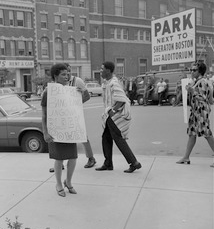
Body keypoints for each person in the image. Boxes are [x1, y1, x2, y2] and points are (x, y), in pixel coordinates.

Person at [41, 63, 85, 197]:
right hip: (55, 130)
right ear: (55, 76)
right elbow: (44, 114)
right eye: (63, 74)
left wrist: (80, 94)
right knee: (59, 159)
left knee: (73, 158)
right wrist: (45, 132)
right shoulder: (48, 92)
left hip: (69, 130)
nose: (67, 77)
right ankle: (58, 183)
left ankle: (69, 181)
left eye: (68, 74)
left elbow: (76, 108)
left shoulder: (71, 90)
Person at [48, 63, 97, 172]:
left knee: (82, 135)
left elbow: (87, 96)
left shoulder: (77, 81)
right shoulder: (57, 83)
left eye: (69, 71)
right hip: (62, 115)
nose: (68, 74)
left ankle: (91, 158)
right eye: (65, 72)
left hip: (74, 113)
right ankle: (59, 163)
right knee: (62, 138)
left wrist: (76, 104)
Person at [95, 61, 142, 173]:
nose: (100, 71)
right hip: (108, 115)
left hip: (114, 116)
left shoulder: (114, 83)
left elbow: (122, 99)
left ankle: (134, 162)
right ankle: (108, 164)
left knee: (118, 139)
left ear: (109, 70)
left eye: (102, 69)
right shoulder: (107, 82)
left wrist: (113, 111)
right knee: (106, 138)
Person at [176, 62, 214, 167]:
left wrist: (192, 91)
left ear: (200, 71)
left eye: (194, 70)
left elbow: (204, 99)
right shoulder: (196, 82)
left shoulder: (203, 82)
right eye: (191, 70)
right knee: (192, 134)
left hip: (201, 111)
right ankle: (186, 157)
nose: (191, 72)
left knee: (207, 134)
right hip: (195, 111)